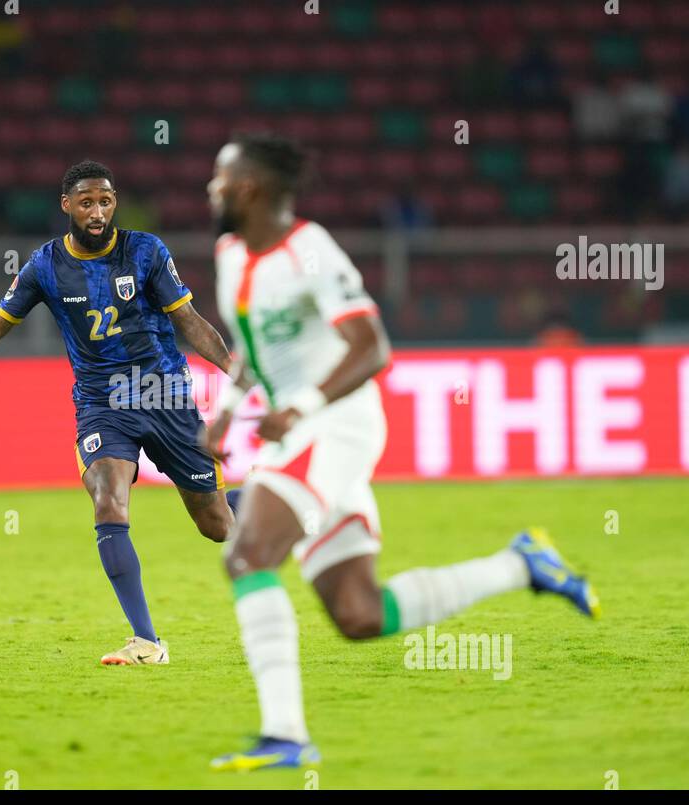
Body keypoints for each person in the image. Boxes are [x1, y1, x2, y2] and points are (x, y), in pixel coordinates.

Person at [202, 134, 599, 771]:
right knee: (360, 614)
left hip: (336, 425)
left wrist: (300, 408)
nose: (210, 191)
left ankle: (285, 736)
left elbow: (372, 347)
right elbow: (258, 343)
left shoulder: (310, 251)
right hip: (300, 430)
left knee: (248, 555)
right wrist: (226, 411)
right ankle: (523, 565)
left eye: (219, 181)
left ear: (247, 189)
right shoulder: (229, 253)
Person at [0, 160, 240, 665]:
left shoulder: (146, 251)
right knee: (108, 499)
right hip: (102, 402)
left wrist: (236, 371)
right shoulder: (44, 267)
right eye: (87, 202)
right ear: (67, 205)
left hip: (163, 394)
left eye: (105, 201)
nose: (98, 211)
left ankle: (270, 498)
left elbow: (189, 321)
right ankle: (147, 641)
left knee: (216, 524)